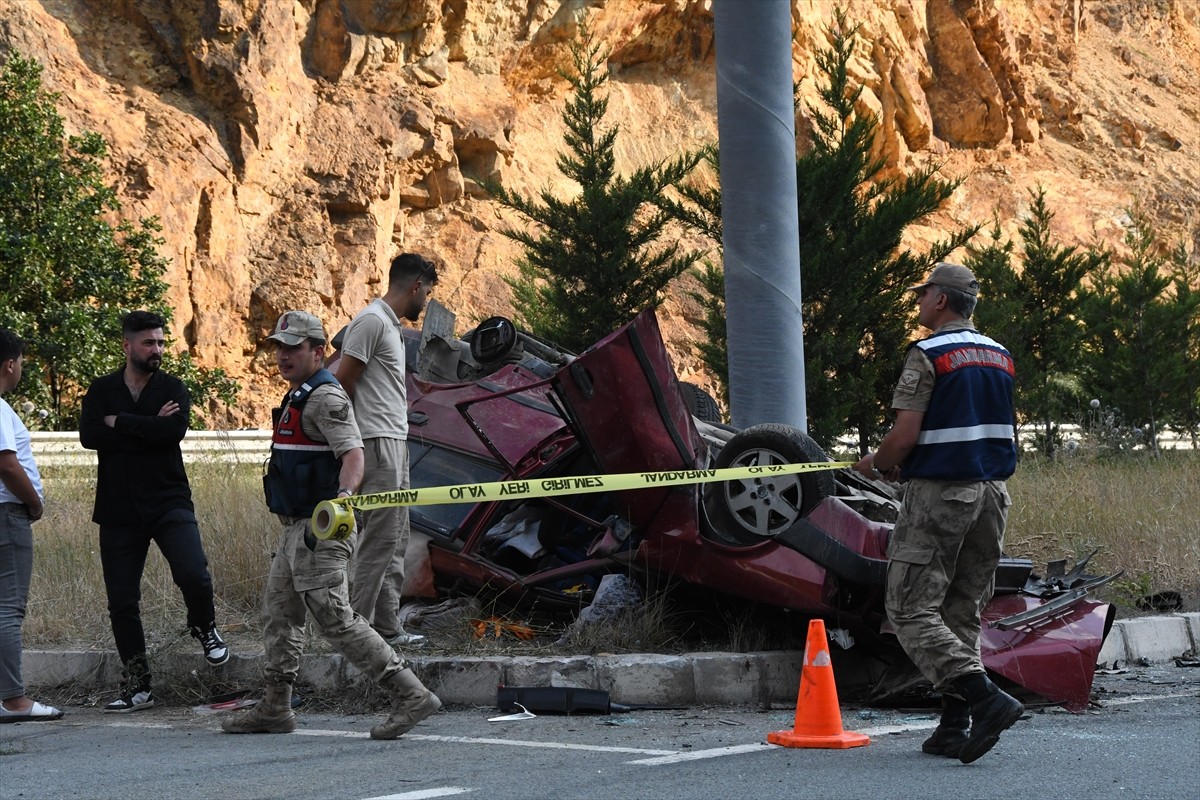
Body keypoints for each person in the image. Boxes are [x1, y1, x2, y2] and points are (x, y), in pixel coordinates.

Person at [222, 311, 439, 739]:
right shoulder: (299, 394)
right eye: (279, 347)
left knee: (337, 618)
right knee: (280, 616)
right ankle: (275, 707)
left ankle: (410, 693)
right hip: (293, 530)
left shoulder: (325, 397)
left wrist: (341, 501)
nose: (283, 355)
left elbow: (354, 454)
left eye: (293, 347)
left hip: (317, 530)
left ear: (318, 351)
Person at [853, 263, 1023, 764]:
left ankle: (984, 699)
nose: (919, 302)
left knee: (908, 608)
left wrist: (877, 464)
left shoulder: (928, 354)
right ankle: (953, 726)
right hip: (992, 495)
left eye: (923, 294)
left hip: (941, 495)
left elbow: (905, 435)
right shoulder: (999, 355)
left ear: (942, 301)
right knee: (960, 609)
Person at [79, 311, 228, 713]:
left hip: (168, 500)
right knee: (122, 601)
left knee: (193, 573)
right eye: (149, 343)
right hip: (118, 508)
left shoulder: (172, 387)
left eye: (162, 342)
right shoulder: (101, 389)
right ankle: (137, 684)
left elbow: (172, 433)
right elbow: (90, 436)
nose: (158, 350)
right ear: (128, 346)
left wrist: (122, 424)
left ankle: (206, 628)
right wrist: (145, 426)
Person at [333, 253, 437, 647]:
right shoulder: (371, 321)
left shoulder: (388, 325)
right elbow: (342, 381)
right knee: (379, 540)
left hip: (394, 442)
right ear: (414, 286)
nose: (425, 300)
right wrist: (350, 443)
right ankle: (357, 633)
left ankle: (387, 627)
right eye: (426, 291)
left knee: (396, 537)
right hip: (376, 443)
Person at [0, 329, 63, 724]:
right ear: (9, 364)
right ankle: (14, 699)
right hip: (7, 515)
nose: (21, 368)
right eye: (21, 362)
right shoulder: (0, 410)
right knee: (8, 608)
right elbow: (7, 464)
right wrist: (34, 501)